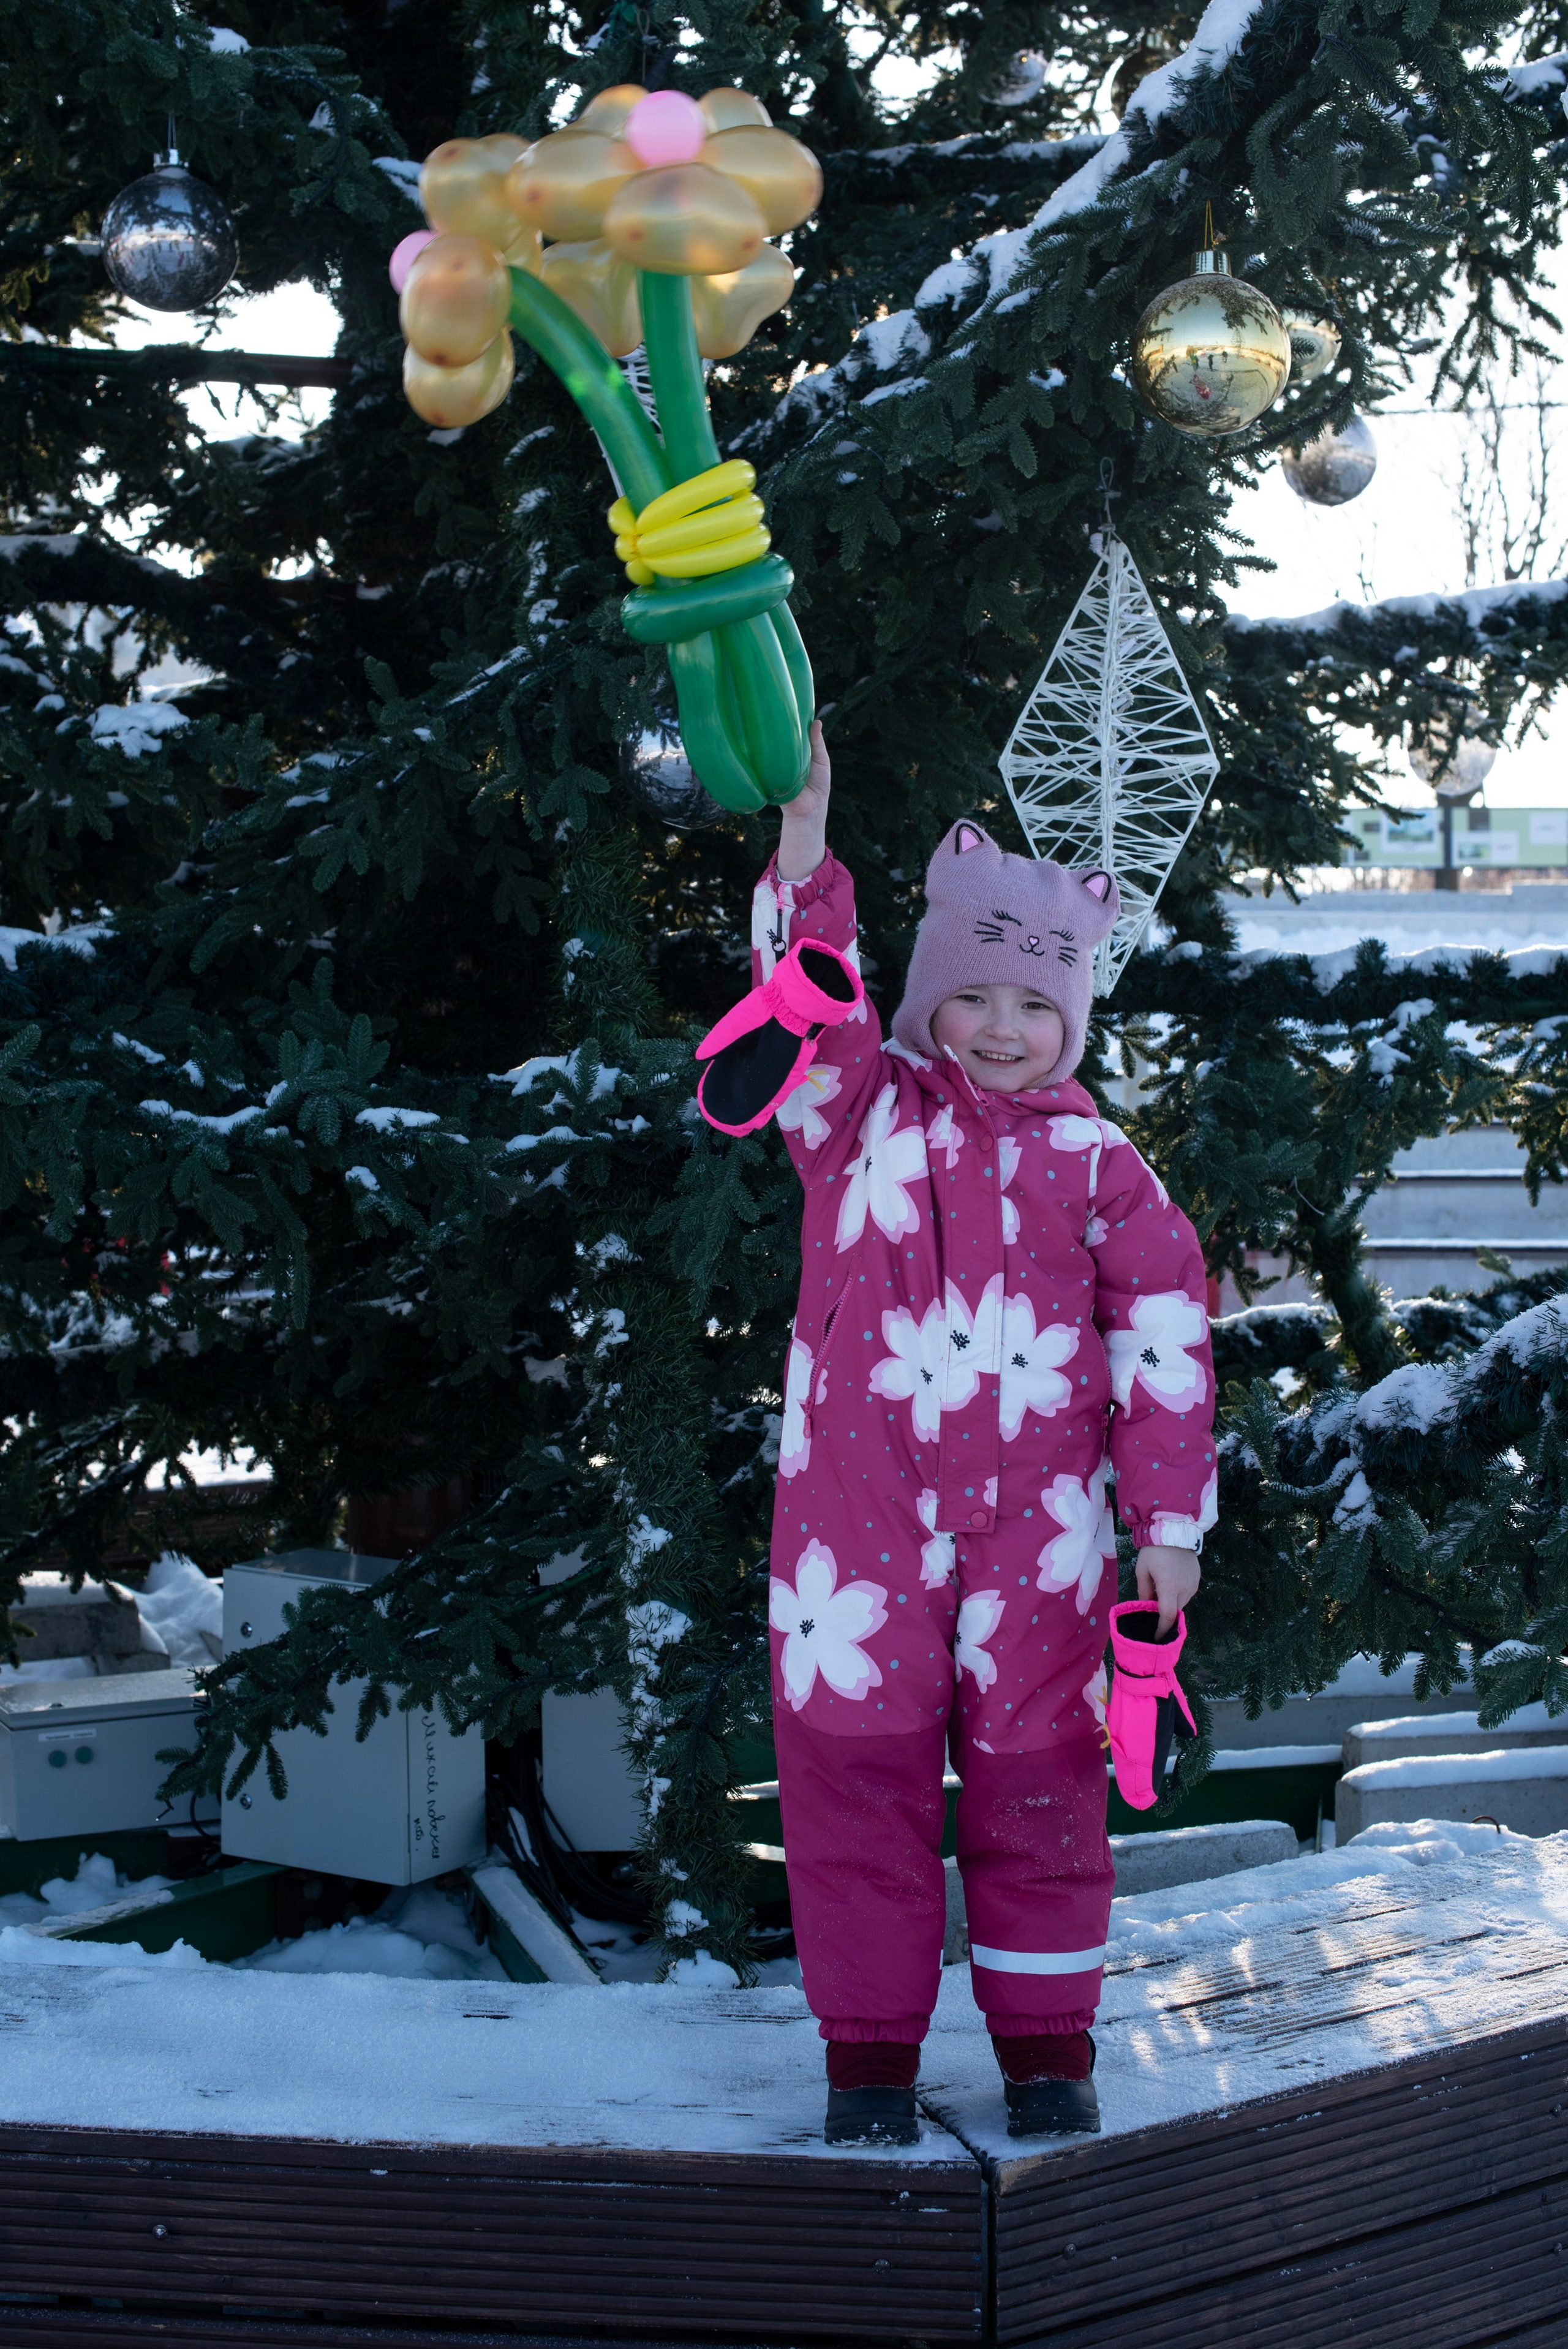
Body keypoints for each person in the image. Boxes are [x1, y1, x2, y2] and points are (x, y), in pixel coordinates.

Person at [755, 722, 1216, 2145]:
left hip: (1044, 1544)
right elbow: (801, 1006)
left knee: (1040, 1789)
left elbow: (1162, 1346)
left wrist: (1168, 1529)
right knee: (854, 1781)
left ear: (1072, 1016)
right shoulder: (854, 1117)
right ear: (927, 998)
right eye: (975, 995)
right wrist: (803, 849)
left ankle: (1042, 2050)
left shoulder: (1099, 1165)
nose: (1004, 1025)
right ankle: (871, 2060)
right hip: (855, 1535)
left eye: (1036, 999)